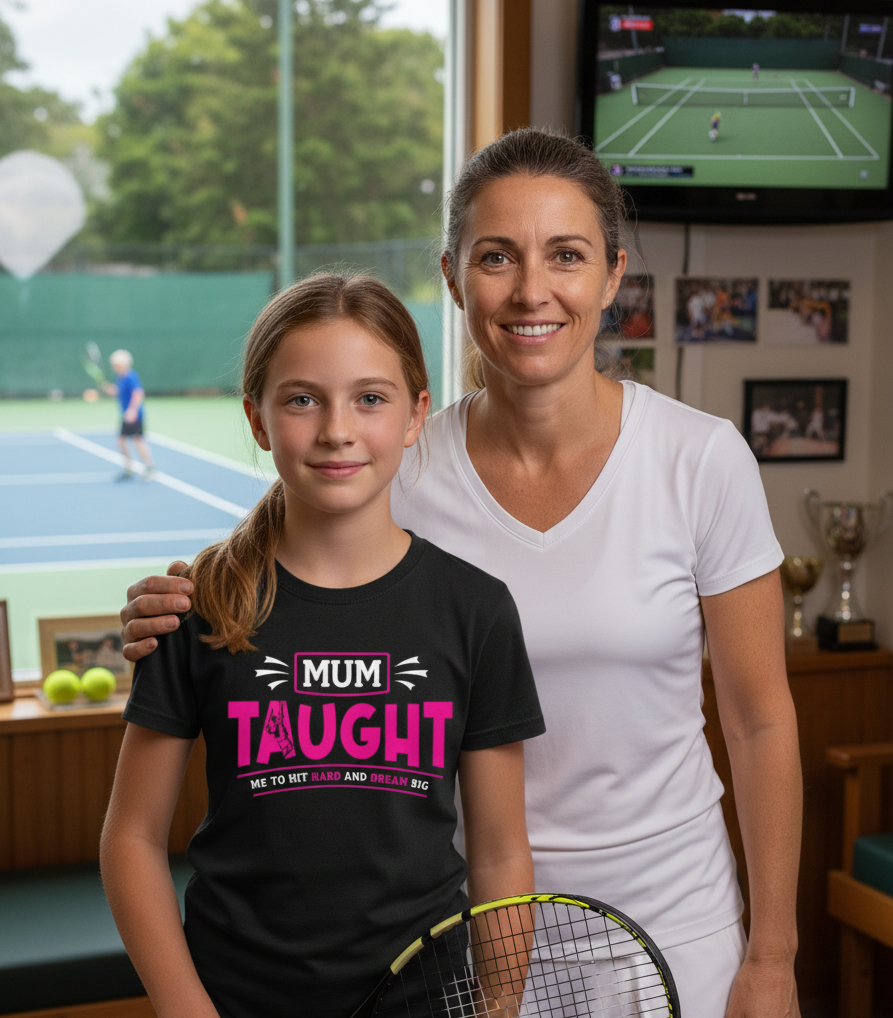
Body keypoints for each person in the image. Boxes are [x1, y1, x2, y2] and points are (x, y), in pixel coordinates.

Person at [119, 129, 802, 1018]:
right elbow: (290, 558)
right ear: (451, 276)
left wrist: (772, 957)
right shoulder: (403, 462)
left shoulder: (701, 459)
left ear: (612, 275)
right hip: (456, 934)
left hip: (672, 920)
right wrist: (175, 602)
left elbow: (758, 722)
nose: (530, 290)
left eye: (566, 255)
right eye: (495, 257)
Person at [101, 273, 545, 1018]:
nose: (337, 429)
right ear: (257, 418)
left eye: (370, 398)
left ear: (416, 415)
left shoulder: (475, 610)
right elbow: (132, 839)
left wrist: (498, 1004)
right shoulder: (202, 605)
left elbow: (500, 851)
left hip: (425, 1001)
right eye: (302, 400)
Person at [104, 349, 155, 481]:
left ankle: (150, 468)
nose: (113, 367)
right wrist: (110, 389)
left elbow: (138, 393)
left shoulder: (131, 376)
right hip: (125, 415)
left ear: (123, 364)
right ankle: (128, 470)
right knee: (121, 441)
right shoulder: (120, 378)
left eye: (115, 364)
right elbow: (118, 391)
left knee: (138, 441)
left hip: (134, 415)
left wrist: (132, 411)